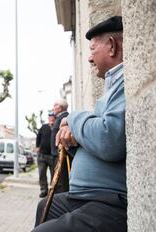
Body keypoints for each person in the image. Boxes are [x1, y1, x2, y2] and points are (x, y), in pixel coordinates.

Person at [33, 16, 126, 231]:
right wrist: (74, 141)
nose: (89, 59)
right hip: (90, 195)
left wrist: (72, 118)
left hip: (110, 201)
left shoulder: (125, 81)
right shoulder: (112, 86)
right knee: (44, 206)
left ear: (111, 46)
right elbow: (98, 138)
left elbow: (109, 141)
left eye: (93, 50)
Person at [50, 98, 70, 193]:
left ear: (61, 107)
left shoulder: (64, 117)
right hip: (57, 154)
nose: (53, 108)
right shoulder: (59, 118)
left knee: (61, 181)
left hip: (61, 155)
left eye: (55, 105)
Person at [36, 112, 55, 198]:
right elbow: (38, 137)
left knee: (54, 175)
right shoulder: (44, 127)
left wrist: (53, 127)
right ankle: (44, 190)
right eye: (50, 117)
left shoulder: (56, 127)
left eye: (53, 117)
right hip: (42, 155)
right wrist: (37, 146)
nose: (51, 119)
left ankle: (52, 191)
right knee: (42, 174)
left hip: (53, 156)